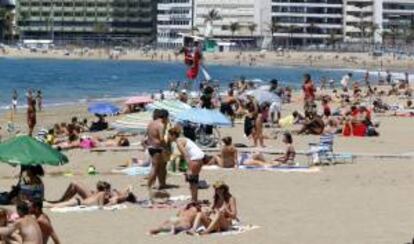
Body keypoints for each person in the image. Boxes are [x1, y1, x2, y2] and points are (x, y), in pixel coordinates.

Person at [168, 127, 206, 202]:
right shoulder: (183, 139)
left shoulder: (179, 142)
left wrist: (188, 168)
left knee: (193, 181)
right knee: (194, 181)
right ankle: (194, 199)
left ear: (173, 135)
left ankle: (194, 200)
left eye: (169, 135)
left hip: (195, 159)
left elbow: (185, 155)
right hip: (200, 158)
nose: (168, 137)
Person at [145, 109, 170, 196]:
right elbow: (162, 138)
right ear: (165, 117)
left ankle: (162, 184)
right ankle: (149, 185)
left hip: (151, 146)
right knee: (155, 167)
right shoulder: (161, 125)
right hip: (157, 147)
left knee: (162, 166)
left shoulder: (150, 123)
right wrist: (166, 147)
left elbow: (147, 136)